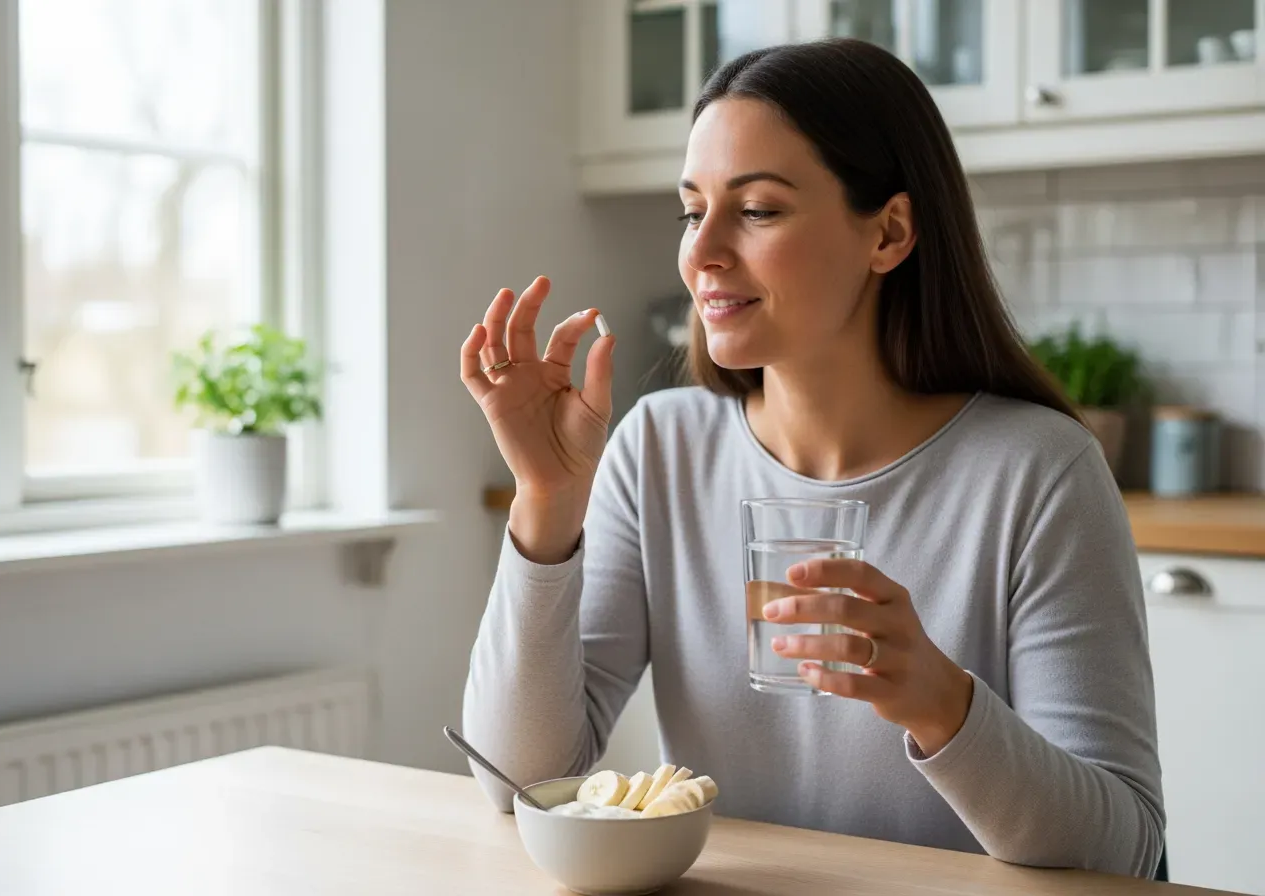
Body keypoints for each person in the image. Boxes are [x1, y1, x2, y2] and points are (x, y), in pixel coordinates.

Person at [459, 39, 1163, 877]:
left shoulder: (1038, 472)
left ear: (890, 232)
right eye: (693, 210)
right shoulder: (660, 449)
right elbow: (518, 781)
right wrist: (545, 503)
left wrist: (943, 703)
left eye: (756, 210)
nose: (702, 250)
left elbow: (1124, 851)